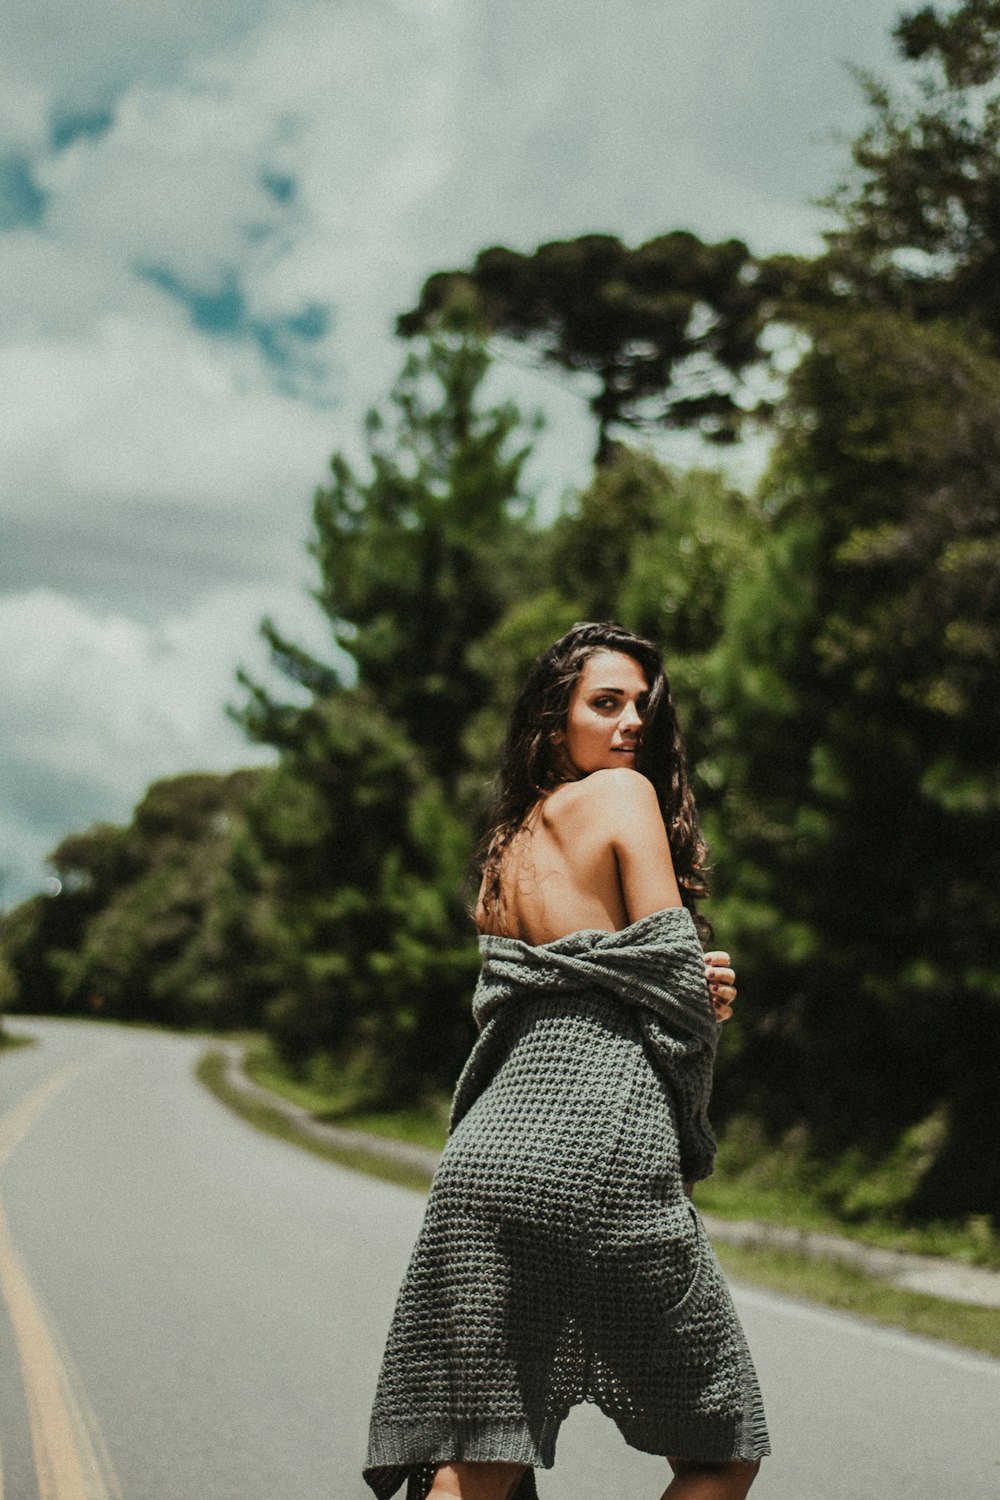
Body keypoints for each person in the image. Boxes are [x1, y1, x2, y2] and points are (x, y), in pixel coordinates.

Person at [364, 622, 769, 1500]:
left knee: (481, 1457)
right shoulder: (623, 795)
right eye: (606, 703)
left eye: (641, 707)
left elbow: (565, 982)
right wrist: (706, 1002)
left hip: (482, 1161)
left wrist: (678, 986)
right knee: (725, 1442)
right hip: (598, 1148)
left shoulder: (504, 847)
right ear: (556, 725)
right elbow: (673, 997)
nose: (631, 725)